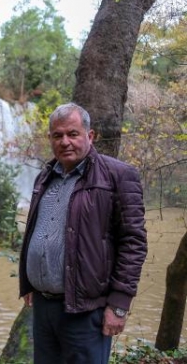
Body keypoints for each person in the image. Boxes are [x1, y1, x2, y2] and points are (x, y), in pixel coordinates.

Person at [19, 102, 147, 364]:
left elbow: (133, 242)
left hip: (86, 311)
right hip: (43, 307)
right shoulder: (44, 177)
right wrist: (29, 282)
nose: (65, 141)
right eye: (57, 135)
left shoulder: (118, 176)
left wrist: (119, 305)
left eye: (72, 133)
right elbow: (38, 228)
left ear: (90, 136)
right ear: (50, 139)